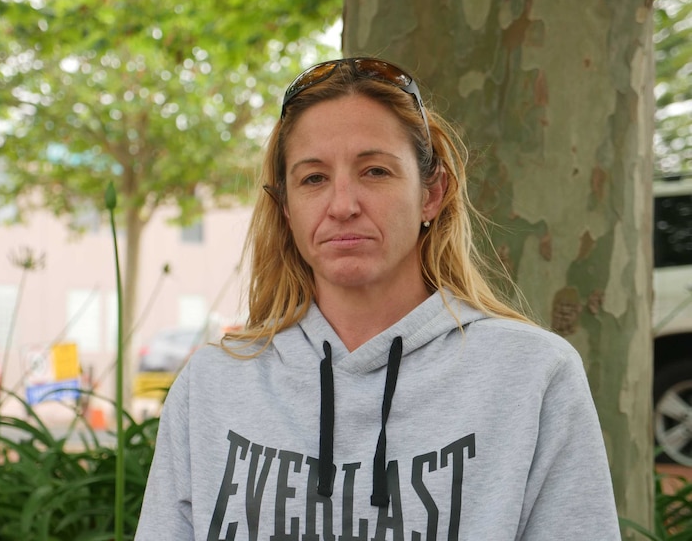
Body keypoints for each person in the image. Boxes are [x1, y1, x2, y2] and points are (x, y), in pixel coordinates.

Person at [135, 57, 620, 540]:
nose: (343, 206)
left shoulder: (531, 376)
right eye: (313, 178)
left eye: (375, 172)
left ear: (432, 194)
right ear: (286, 208)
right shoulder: (213, 387)